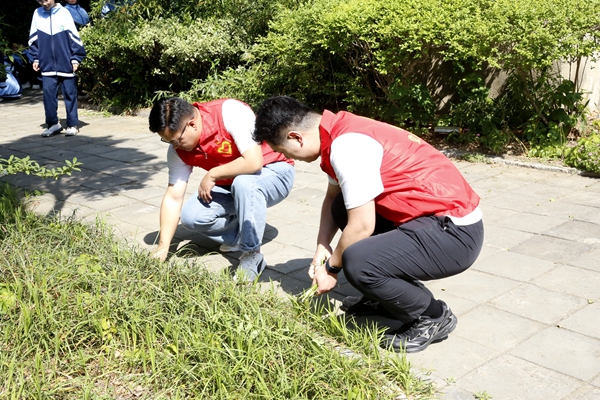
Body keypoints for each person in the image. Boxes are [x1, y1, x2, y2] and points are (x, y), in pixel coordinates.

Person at [253, 96, 484, 353]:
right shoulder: (336, 132)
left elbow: (362, 226)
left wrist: (331, 269)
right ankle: (384, 299)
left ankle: (432, 315)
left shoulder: (346, 147)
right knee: (341, 207)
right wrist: (322, 245)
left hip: (454, 233)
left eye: (284, 151)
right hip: (430, 221)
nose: (288, 157)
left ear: (296, 137)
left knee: (358, 262)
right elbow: (332, 199)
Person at [148, 97, 295, 280]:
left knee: (244, 182)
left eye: (177, 140)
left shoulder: (229, 112)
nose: (175, 146)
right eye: (169, 142)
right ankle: (241, 236)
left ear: (192, 124)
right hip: (232, 184)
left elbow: (254, 162)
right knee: (191, 216)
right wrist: (163, 247)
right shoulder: (178, 150)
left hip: (275, 171)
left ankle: (252, 254)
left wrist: (213, 174)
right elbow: (173, 197)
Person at [29, 0, 86, 137]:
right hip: (46, 64)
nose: (44, 3)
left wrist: (75, 58)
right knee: (48, 96)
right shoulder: (37, 13)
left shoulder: (64, 12)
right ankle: (53, 124)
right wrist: (35, 58)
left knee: (70, 94)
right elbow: (33, 37)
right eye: (40, 0)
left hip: (65, 62)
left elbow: (74, 36)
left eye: (46, 0)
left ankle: (72, 124)